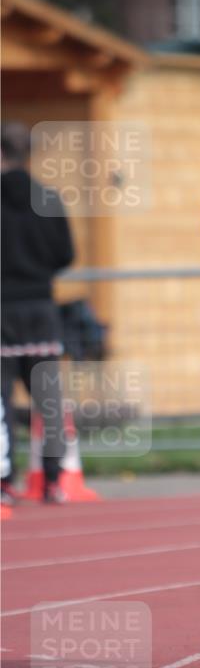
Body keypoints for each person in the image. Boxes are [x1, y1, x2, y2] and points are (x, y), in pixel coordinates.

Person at [1, 121, 74, 504]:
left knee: (0, 401)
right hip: (41, 309)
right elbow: (65, 254)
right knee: (47, 401)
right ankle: (53, 480)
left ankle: (4, 482)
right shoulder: (47, 197)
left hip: (3, 311)